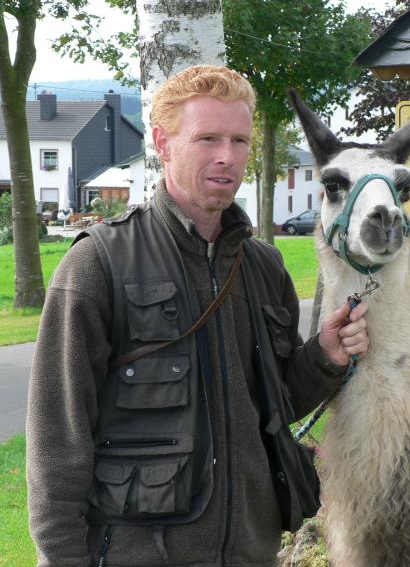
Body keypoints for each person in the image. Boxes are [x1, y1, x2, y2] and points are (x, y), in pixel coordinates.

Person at [26, 64, 369, 567]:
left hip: (251, 552)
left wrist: (323, 357)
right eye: (207, 138)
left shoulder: (262, 266)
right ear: (163, 144)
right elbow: (58, 437)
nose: (227, 157)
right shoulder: (98, 263)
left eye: (239, 140)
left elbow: (272, 407)